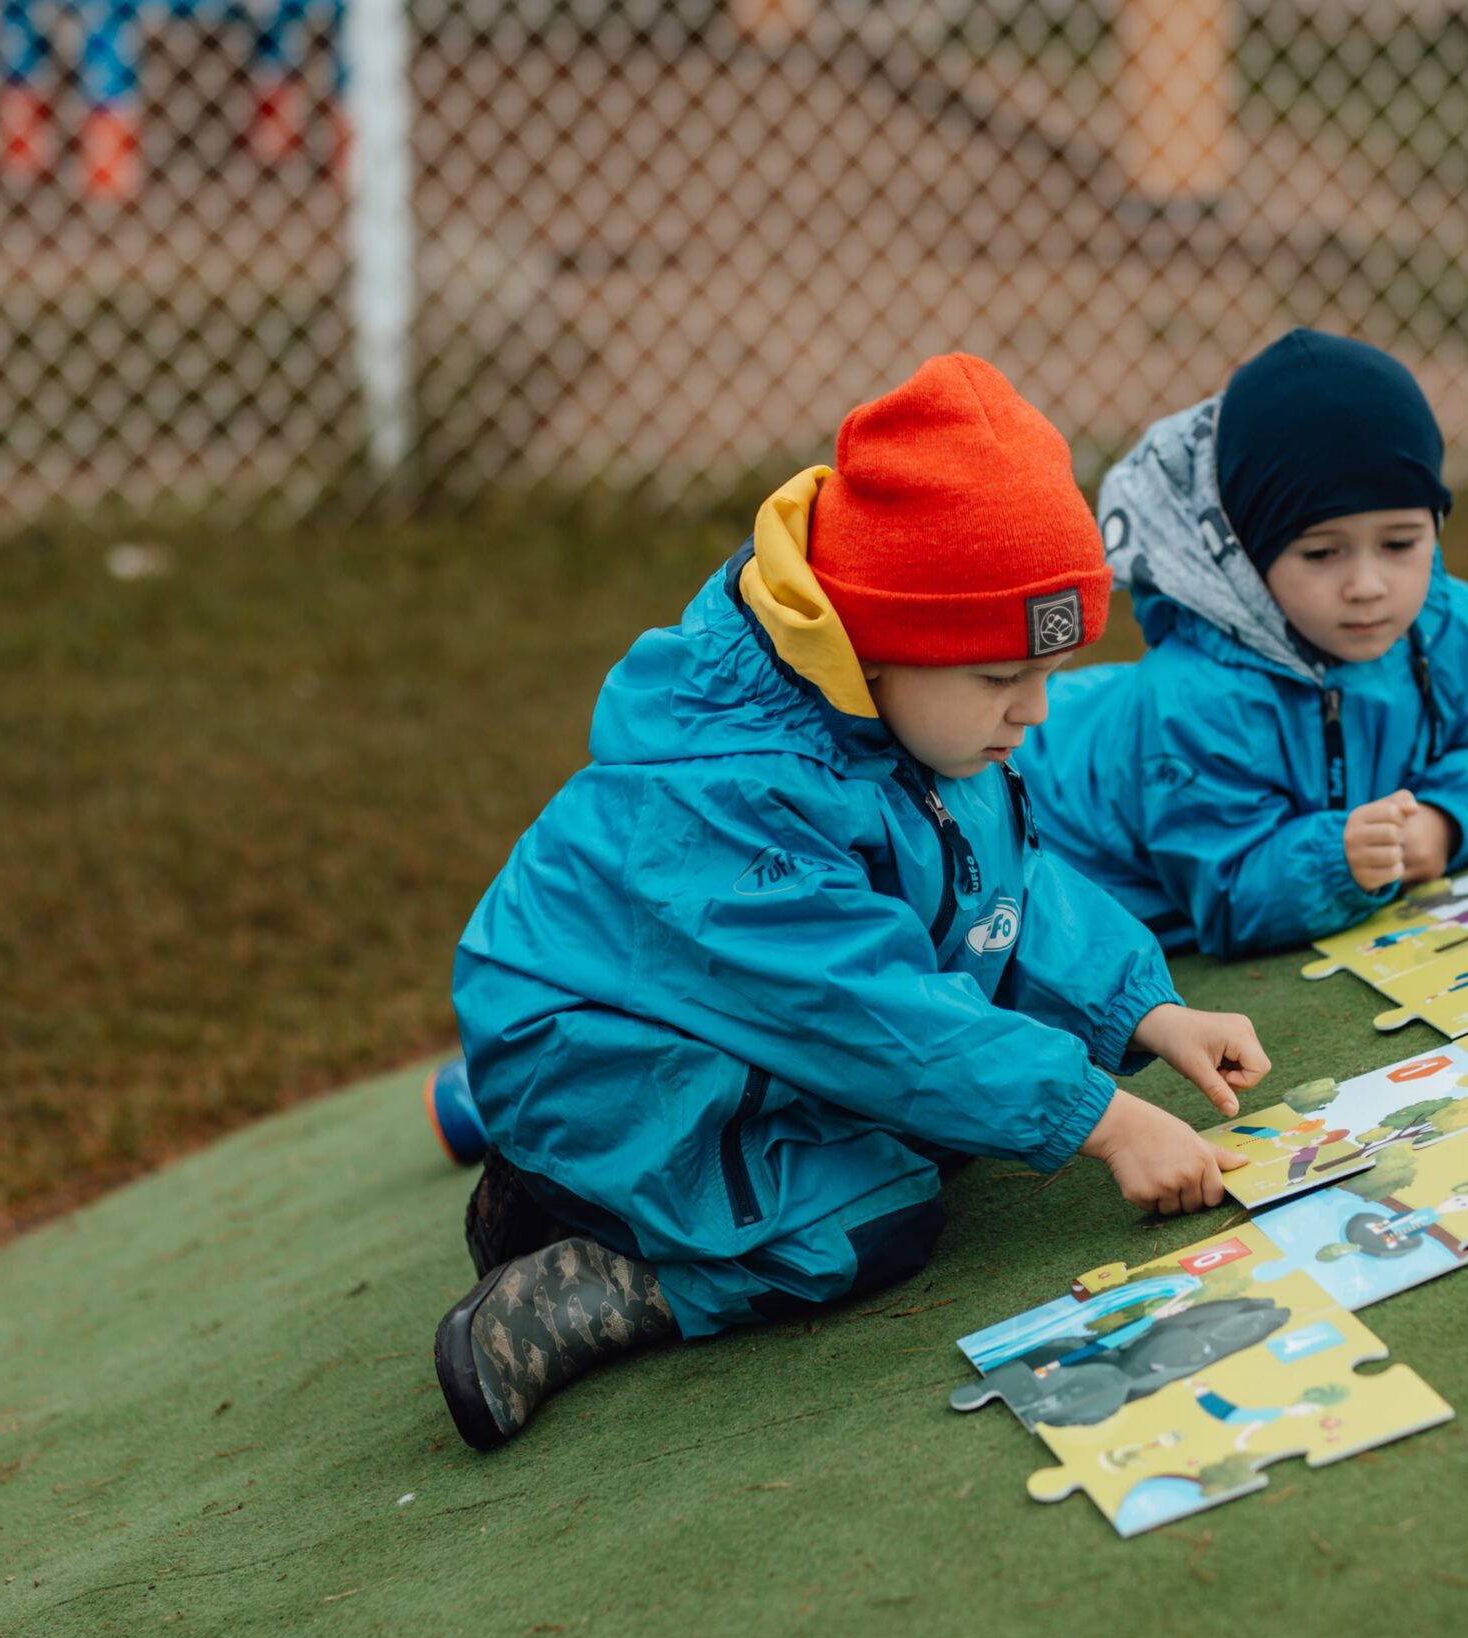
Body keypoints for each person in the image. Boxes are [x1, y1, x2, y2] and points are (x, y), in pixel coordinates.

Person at [429, 355, 1267, 1450]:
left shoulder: (916, 716)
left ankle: (563, 1177)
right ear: (877, 640)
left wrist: (1142, 1009)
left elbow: (1004, 889)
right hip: (595, 1049)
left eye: (1050, 667)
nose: (1036, 708)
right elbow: (864, 1010)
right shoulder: (739, 793)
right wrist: (1101, 1119)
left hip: (696, 1009)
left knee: (940, 1126)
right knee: (880, 1214)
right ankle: (610, 1272)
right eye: (998, 674)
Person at [1018, 328, 1468, 960]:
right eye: (1322, 552)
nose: (1367, 586)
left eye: (1401, 543)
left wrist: (1448, 818)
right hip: (1040, 810)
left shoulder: (1454, 626)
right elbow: (1225, 893)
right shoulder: (1198, 696)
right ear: (1247, 554)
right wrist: (1336, 862)